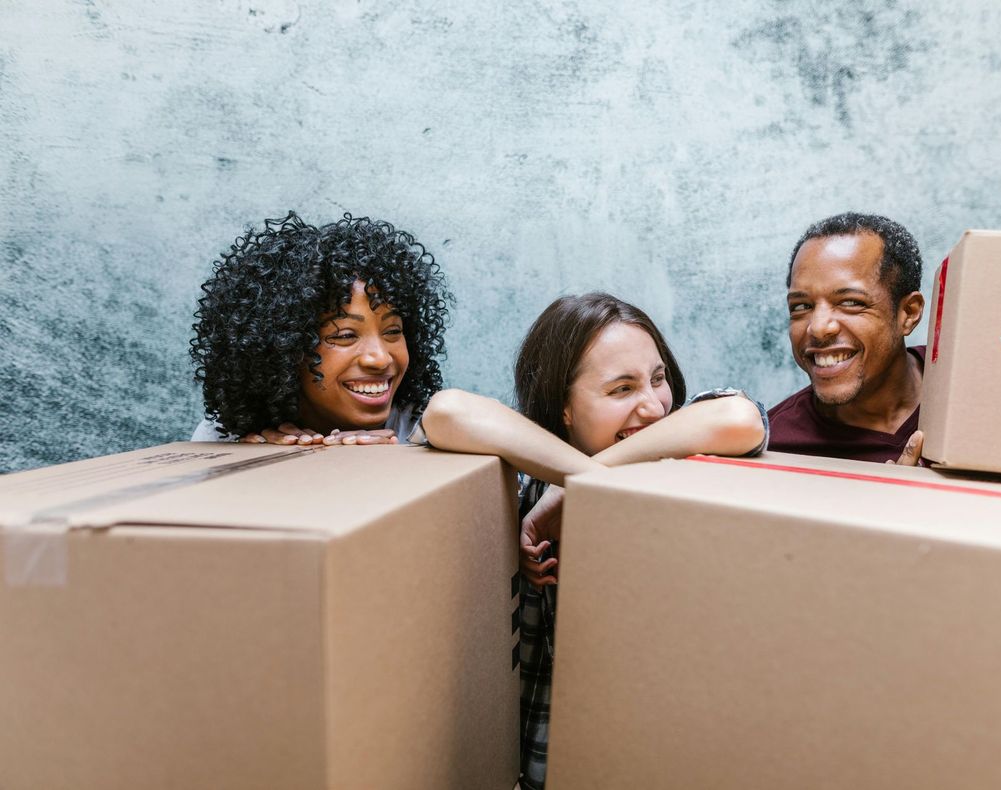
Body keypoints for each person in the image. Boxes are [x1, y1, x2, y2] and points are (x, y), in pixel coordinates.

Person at [418, 293, 767, 790]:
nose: (652, 405)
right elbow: (448, 412)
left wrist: (579, 486)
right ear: (562, 406)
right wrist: (572, 481)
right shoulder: (526, 484)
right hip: (542, 763)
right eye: (621, 388)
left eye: (658, 378)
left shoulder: (685, 461)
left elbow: (741, 419)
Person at [190, 211, 451, 444]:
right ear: (283, 351)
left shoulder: (421, 427)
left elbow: (460, 414)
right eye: (346, 335)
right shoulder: (229, 438)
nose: (380, 358)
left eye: (393, 331)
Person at [768, 212, 927, 464]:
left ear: (908, 313)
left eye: (850, 302)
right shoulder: (776, 450)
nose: (818, 328)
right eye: (801, 307)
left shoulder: (976, 389)